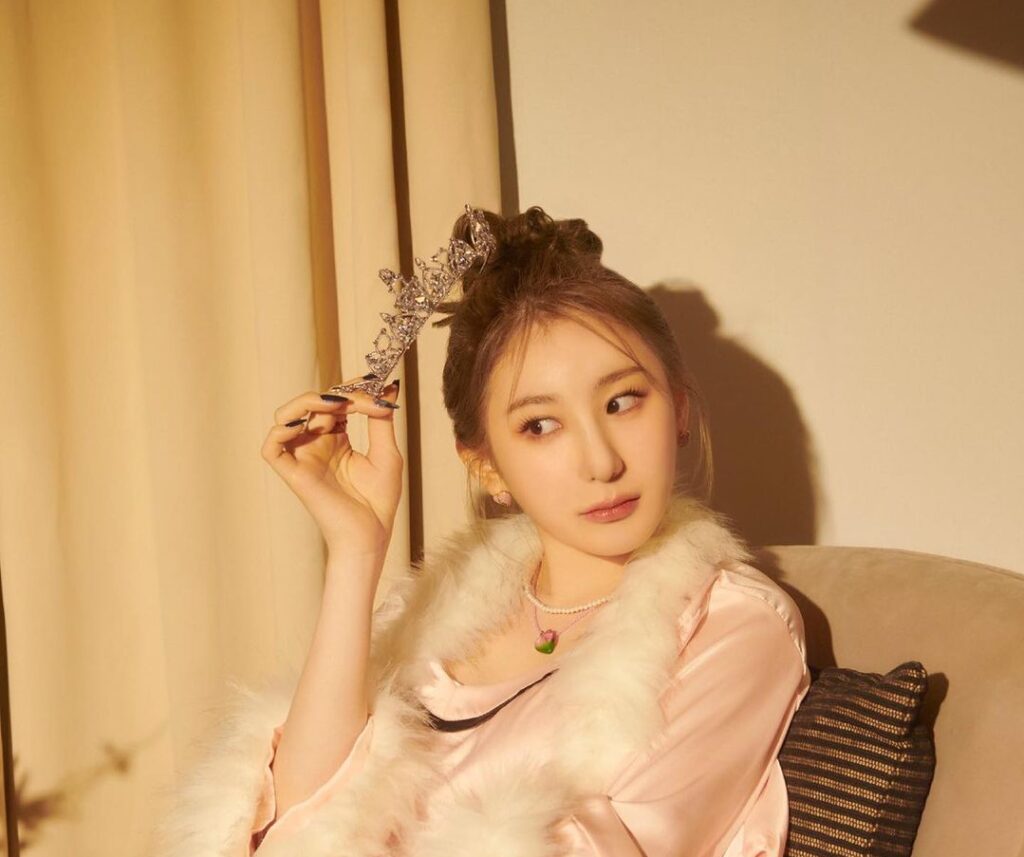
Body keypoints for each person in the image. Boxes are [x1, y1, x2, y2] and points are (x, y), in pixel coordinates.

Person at [150, 206, 810, 857]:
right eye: (541, 425)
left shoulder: (735, 628)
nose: (601, 461)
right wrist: (355, 553)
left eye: (622, 401)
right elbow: (293, 827)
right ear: (487, 466)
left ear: (680, 409)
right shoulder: (427, 617)